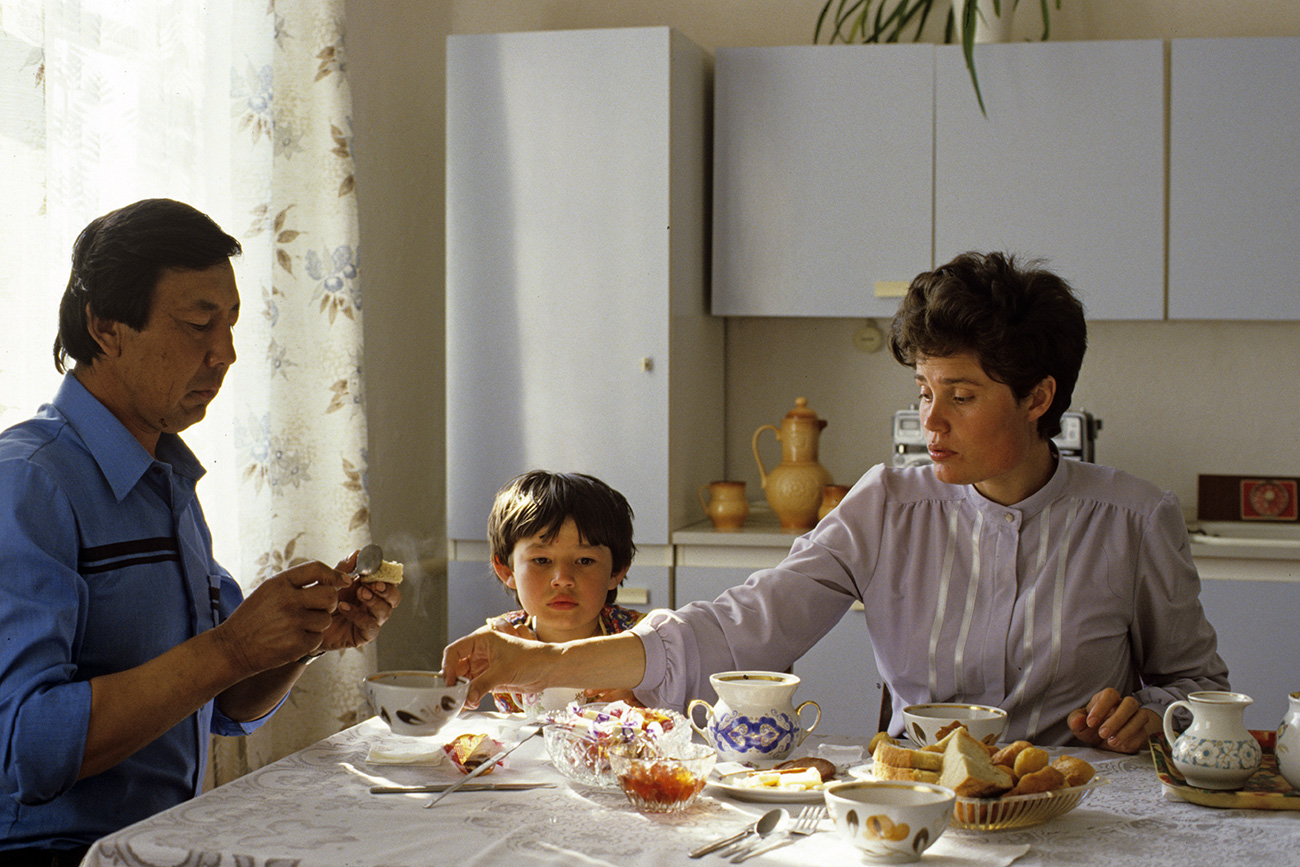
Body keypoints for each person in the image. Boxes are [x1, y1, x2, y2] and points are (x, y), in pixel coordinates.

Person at [442, 251, 1230, 754]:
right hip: (916, 813)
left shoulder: (1133, 518)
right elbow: (735, 628)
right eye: (923, 390)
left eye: (960, 394)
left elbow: (1199, 690)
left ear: (1038, 396)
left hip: (1077, 814)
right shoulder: (886, 504)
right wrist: (543, 659)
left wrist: (1150, 713)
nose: (930, 420)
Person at [0, 198, 401, 864]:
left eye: (232, 323)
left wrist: (296, 640)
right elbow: (25, 747)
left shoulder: (168, 480)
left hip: (165, 841)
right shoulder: (30, 483)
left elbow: (226, 704)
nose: (227, 353)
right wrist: (233, 647)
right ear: (106, 328)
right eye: (197, 324)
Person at [484, 470, 644, 712]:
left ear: (617, 571)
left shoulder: (642, 640)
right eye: (541, 560)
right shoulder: (503, 640)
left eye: (585, 561)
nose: (563, 579)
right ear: (507, 570)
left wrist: (644, 700)